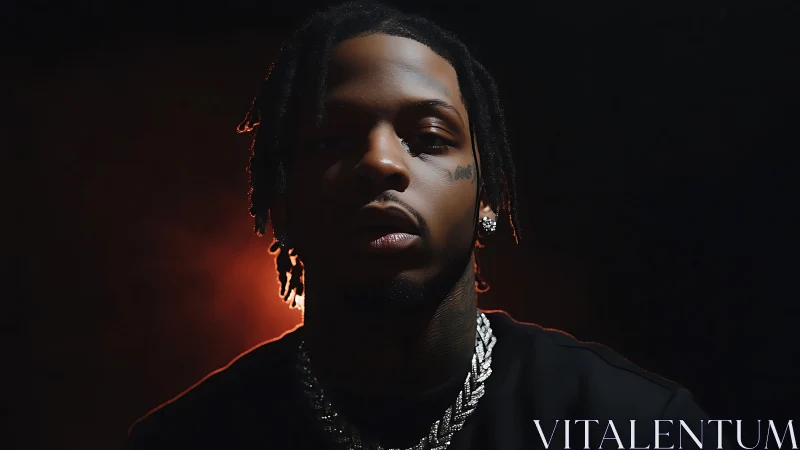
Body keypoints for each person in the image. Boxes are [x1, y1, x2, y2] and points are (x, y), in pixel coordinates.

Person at [126, 3, 724, 449]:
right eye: (332, 140)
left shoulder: (633, 424)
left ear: (486, 194)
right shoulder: (185, 441)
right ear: (281, 205)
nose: (381, 163)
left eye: (429, 138)